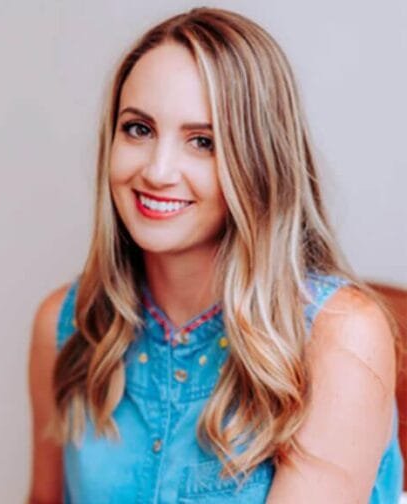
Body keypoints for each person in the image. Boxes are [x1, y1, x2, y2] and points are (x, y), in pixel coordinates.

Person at [27, 7, 403, 503]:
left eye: (203, 142)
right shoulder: (65, 324)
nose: (158, 171)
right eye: (138, 129)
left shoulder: (342, 336)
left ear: (260, 162)